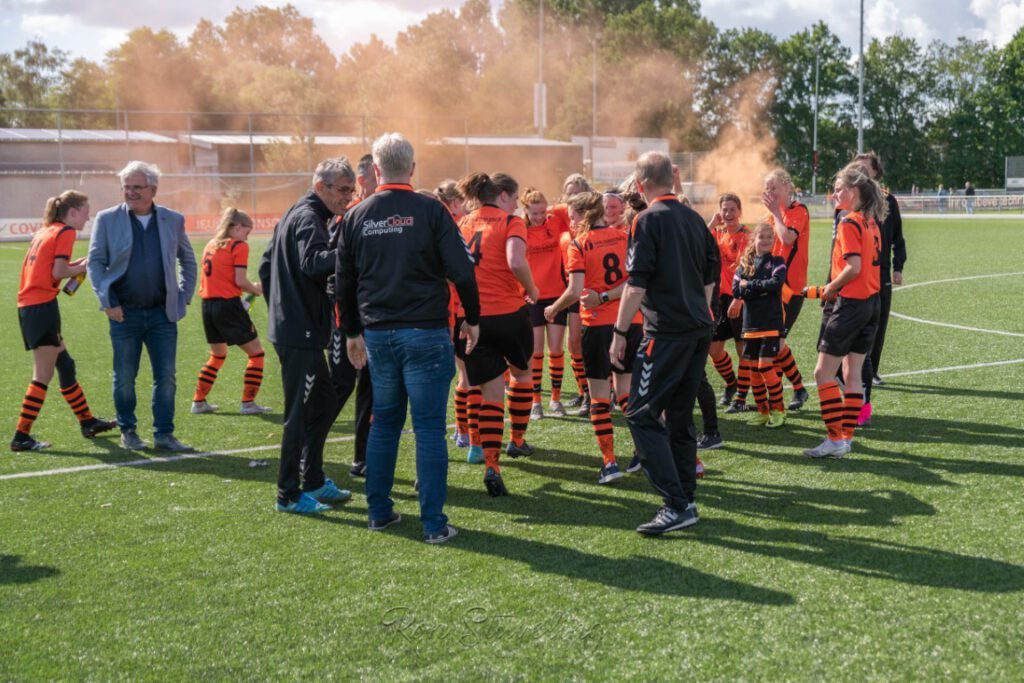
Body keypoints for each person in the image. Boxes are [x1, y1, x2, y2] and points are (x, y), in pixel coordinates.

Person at [337, 132, 480, 543]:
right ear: (412, 169)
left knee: (385, 424)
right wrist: (472, 317)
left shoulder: (356, 215)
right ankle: (433, 523)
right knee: (430, 428)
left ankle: (379, 512)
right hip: (425, 331)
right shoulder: (430, 210)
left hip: (379, 334)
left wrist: (350, 332)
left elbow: (343, 280)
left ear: (376, 170)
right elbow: (463, 270)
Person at [610, 151, 719, 535]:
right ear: (671, 180)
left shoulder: (646, 219)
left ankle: (674, 501)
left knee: (639, 412)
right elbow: (711, 273)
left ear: (640, 185)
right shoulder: (693, 218)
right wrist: (698, 310)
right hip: (696, 329)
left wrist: (620, 333)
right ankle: (685, 500)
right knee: (678, 416)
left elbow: (636, 283)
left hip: (667, 333)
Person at [259, 157, 355, 514]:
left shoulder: (297, 213)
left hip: (296, 327)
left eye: (351, 190)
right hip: (299, 332)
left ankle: (312, 478)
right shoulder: (307, 217)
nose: (349, 197)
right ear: (321, 187)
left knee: (327, 402)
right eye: (343, 190)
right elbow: (314, 262)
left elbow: (266, 264)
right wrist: (350, 252)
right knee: (298, 414)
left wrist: (280, 307)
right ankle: (288, 493)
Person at [87, 161, 197, 452]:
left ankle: (164, 434)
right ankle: (129, 431)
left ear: (153, 189)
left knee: (167, 377)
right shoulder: (107, 219)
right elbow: (95, 263)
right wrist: (107, 302)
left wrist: (184, 295)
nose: (131, 192)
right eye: (127, 187)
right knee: (124, 378)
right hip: (124, 314)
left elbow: (187, 258)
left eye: (137, 187)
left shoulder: (172, 219)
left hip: (163, 313)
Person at [544, 191, 642, 484]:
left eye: (573, 216)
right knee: (626, 393)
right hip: (629, 323)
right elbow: (635, 281)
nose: (571, 222)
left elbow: (575, 291)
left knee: (600, 397)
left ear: (585, 215)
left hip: (597, 327)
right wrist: (608, 296)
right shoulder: (625, 237)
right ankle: (642, 451)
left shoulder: (578, 244)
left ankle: (610, 463)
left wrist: (553, 308)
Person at [12, 191, 116, 451]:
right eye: (85, 211)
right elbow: (59, 272)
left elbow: (52, 269)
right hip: (40, 308)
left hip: (34, 306)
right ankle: (21, 436)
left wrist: (77, 265)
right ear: (72, 213)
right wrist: (82, 268)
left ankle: (87, 422)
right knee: (42, 375)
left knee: (65, 366)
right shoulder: (65, 232)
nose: (88, 216)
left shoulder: (46, 230)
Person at [458, 171, 540, 497]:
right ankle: (517, 441)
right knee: (522, 374)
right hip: (509, 313)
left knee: (490, 394)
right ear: (501, 195)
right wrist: (531, 288)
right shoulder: (510, 221)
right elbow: (515, 260)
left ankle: (492, 465)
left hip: (473, 319)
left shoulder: (463, 223)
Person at [805, 163, 884, 458]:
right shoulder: (871, 220)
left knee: (823, 374)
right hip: (871, 304)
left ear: (852, 191)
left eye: (838, 189)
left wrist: (830, 288)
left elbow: (853, 268)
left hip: (850, 305)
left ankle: (835, 438)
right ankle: (845, 438)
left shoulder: (850, 222)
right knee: (852, 376)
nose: (834, 194)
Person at [191, 208, 270, 416]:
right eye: (247, 231)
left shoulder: (211, 244)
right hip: (228, 305)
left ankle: (198, 402)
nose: (247, 236)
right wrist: (256, 289)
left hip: (208, 306)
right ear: (236, 227)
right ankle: (248, 403)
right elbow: (240, 281)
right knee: (257, 353)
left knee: (217, 355)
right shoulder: (238, 246)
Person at [326, 155, 374, 479]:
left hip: (376, 317)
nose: (368, 184)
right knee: (340, 385)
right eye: (365, 178)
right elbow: (333, 268)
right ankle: (307, 447)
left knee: (372, 389)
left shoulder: (392, 213)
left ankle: (362, 457)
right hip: (346, 315)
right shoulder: (348, 215)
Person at [852, 152, 907, 426]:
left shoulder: (888, 200)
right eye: (856, 168)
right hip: (856, 275)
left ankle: (872, 371)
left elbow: (898, 238)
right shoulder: (852, 200)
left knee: (879, 323)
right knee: (860, 325)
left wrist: (898, 267)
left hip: (881, 272)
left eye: (864, 168)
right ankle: (858, 374)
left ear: (875, 172)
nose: (860, 172)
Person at [761, 169, 810, 411]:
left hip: (791, 290)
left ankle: (798, 389)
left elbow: (788, 238)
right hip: (772, 288)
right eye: (767, 189)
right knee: (774, 344)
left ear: (787, 188)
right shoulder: (774, 215)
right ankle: (788, 393)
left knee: (776, 343)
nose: (769, 193)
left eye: (773, 188)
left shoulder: (798, 210)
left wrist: (774, 214)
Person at [731, 223, 788, 428]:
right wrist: (758, 288)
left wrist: (751, 286)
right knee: (754, 370)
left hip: (771, 323)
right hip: (749, 325)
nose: (765, 240)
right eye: (761, 237)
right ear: (754, 240)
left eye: (769, 237)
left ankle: (779, 410)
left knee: (765, 366)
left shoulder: (777, 261)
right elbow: (736, 290)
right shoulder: (744, 264)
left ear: (774, 241)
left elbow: (775, 285)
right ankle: (763, 411)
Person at [521, 187, 569, 420]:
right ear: (526, 211)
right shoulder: (521, 229)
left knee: (557, 349)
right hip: (533, 297)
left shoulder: (556, 221)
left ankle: (556, 399)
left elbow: (567, 207)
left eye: (542, 212)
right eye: (534, 213)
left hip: (558, 295)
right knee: (536, 351)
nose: (539, 217)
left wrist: (548, 207)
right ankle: (536, 401)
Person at [706, 193, 751, 408]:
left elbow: (750, 269)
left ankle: (741, 397)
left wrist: (739, 299)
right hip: (719, 299)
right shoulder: (716, 233)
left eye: (732, 209)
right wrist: (712, 223)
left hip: (740, 298)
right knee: (714, 350)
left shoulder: (747, 236)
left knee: (744, 350)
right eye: (724, 209)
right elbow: (695, 244)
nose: (728, 213)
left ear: (739, 211)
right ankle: (731, 383)